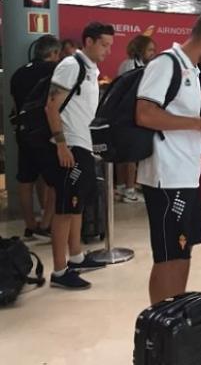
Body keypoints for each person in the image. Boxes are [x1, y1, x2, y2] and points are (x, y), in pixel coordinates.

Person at [136, 12, 201, 304]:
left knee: (183, 248)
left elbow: (176, 115)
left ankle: (175, 313)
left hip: (185, 173)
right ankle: (161, 322)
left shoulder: (189, 68)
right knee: (168, 254)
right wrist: (198, 124)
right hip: (166, 176)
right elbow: (144, 113)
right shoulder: (166, 64)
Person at [43, 22, 114, 289]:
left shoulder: (90, 70)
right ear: (89, 41)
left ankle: (76, 256)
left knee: (77, 202)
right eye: (104, 44)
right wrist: (61, 144)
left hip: (83, 143)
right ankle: (59, 271)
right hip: (69, 144)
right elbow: (51, 107)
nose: (108, 50)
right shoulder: (71, 66)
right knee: (64, 208)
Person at [10, 35, 61, 240]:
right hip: (45, 131)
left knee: (26, 179)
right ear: (54, 53)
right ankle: (46, 225)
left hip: (23, 131)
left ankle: (30, 225)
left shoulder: (18, 73)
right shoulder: (55, 72)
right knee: (55, 180)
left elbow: (15, 104)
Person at [115, 34, 157, 204]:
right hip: (129, 115)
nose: (153, 53)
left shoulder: (129, 64)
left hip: (124, 115)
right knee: (131, 155)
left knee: (123, 155)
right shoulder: (133, 66)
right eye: (150, 50)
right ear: (140, 50)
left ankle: (121, 186)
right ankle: (130, 189)